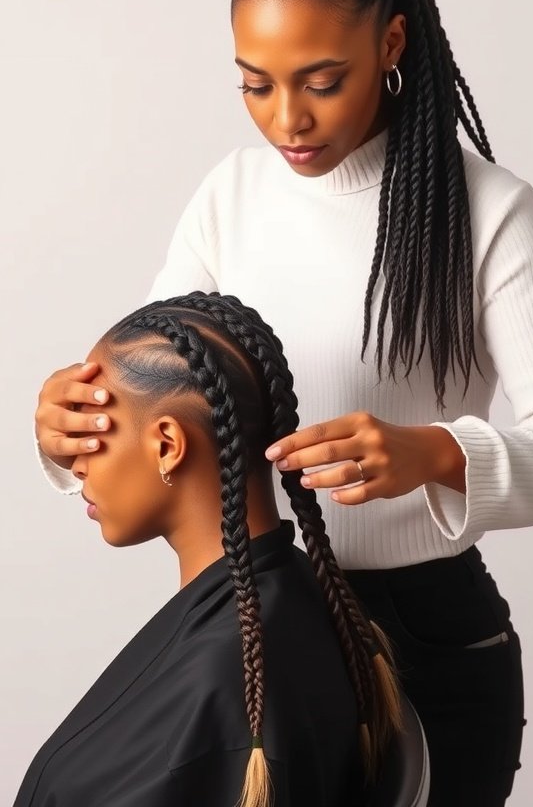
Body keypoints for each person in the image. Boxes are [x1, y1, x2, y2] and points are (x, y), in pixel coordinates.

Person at [34, 0, 533, 806]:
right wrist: (65, 426)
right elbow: (162, 400)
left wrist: (434, 453)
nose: (287, 119)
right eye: (255, 83)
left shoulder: (486, 211)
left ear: (392, 44)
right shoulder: (230, 197)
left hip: (430, 642)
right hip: (261, 628)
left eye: (321, 81)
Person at [17, 291, 412, 807]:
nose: (76, 465)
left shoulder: (222, 680)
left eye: (93, 434)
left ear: (167, 446)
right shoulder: (304, 600)